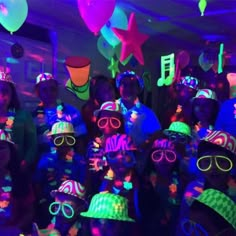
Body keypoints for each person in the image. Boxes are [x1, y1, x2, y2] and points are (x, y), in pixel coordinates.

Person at [176, 130, 236, 235]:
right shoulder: (192, 192)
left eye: (221, 161)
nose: (213, 167)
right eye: (206, 161)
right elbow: (183, 225)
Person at [34, 121, 86, 228]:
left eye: (68, 139)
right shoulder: (45, 160)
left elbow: (83, 186)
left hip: (71, 209)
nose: (64, 143)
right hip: (48, 206)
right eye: (59, 140)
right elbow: (37, 184)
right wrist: (42, 202)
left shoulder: (80, 161)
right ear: (52, 140)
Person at [116, 71, 161, 174]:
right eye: (124, 84)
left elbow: (157, 134)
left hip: (138, 165)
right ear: (119, 87)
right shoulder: (112, 107)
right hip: (114, 162)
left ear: (138, 88)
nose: (128, 88)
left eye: (132, 85)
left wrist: (144, 145)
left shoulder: (147, 113)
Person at [32, 72, 87, 158]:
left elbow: (81, 139)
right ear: (38, 92)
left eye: (52, 89)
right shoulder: (33, 116)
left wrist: (78, 160)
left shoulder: (72, 111)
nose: (49, 93)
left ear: (57, 90)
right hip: (45, 164)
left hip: (70, 162)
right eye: (45, 90)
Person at [0, 71, 37, 173]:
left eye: (5, 91)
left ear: (12, 93)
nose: (1, 96)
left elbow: (32, 145)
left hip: (17, 170)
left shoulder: (23, 116)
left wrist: (24, 163)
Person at [0, 129, 34, 235]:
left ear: (11, 151)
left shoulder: (20, 178)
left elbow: (30, 211)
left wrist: (13, 230)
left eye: (1, 148)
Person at [81, 75, 116, 140]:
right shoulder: (89, 113)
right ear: (96, 94)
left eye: (110, 88)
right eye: (104, 91)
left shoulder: (119, 108)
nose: (109, 93)